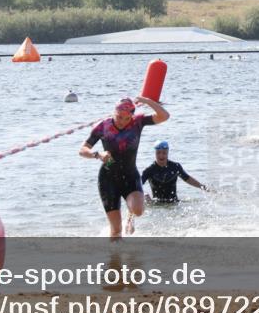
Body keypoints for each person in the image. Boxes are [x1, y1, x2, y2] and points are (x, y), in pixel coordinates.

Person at [79, 96, 169, 239]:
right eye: (119, 117)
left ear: (131, 116)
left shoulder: (137, 122)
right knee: (116, 231)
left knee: (138, 210)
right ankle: (116, 260)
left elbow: (164, 116)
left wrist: (146, 101)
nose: (122, 122)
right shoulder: (103, 126)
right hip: (108, 179)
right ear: (114, 113)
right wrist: (97, 154)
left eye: (126, 119)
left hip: (130, 175)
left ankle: (130, 216)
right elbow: (82, 150)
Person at [141, 140, 208, 203]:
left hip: (174, 203)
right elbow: (136, 187)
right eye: (158, 153)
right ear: (155, 153)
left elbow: (187, 178)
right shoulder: (149, 170)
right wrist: (144, 194)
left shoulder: (175, 167)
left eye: (164, 152)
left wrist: (203, 187)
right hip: (157, 204)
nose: (161, 155)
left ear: (168, 152)